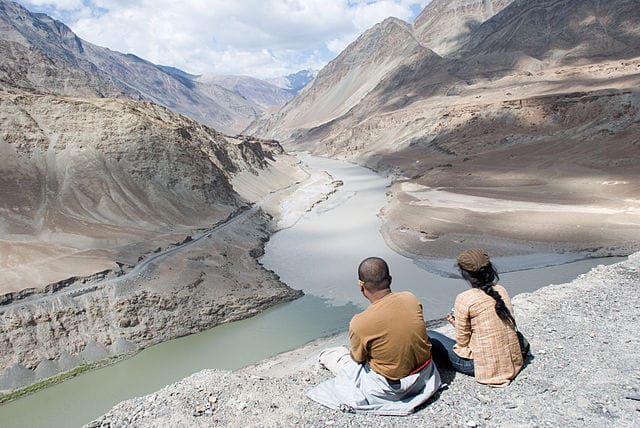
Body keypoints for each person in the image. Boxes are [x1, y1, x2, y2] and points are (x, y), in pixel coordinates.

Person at [307, 257, 441, 415]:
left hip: (392, 388)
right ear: (390, 279)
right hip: (425, 375)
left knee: (331, 355)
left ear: (361, 285)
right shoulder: (410, 298)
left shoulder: (360, 322)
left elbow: (358, 359)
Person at [428, 248, 524, 387]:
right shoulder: (501, 290)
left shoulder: (465, 298)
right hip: (512, 360)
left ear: (464, 274)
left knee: (430, 335)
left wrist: (458, 325)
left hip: (482, 366)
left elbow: (462, 343)